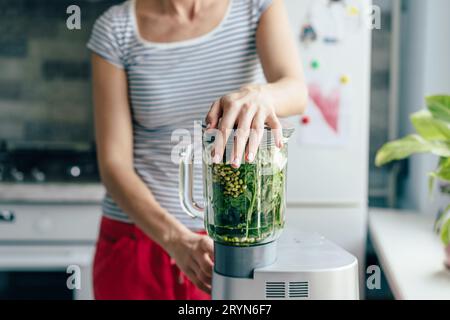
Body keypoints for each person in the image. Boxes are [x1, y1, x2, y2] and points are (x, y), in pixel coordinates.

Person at [88, 0, 307, 300]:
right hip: (138, 239)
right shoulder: (115, 29)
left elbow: (296, 90)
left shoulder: (255, 5)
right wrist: (176, 240)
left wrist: (260, 95)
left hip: (228, 243)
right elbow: (114, 165)